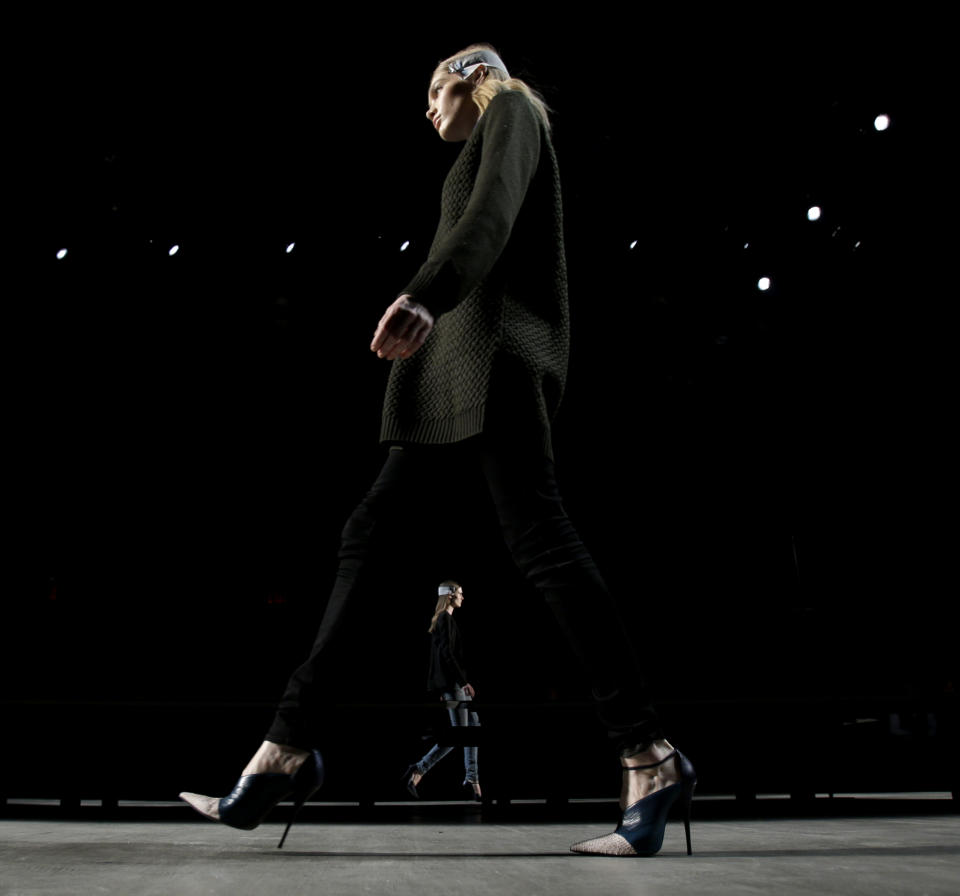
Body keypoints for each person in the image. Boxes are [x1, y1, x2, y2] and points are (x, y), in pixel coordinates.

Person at [180, 43, 695, 857]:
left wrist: (426, 293)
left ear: (468, 74)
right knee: (371, 536)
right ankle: (287, 748)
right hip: (453, 373)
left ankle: (649, 754)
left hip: (492, 360)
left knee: (542, 545)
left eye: (432, 90)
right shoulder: (479, 137)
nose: (425, 108)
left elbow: (491, 215)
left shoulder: (513, 111)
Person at [403, 582, 482, 801]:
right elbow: (445, 655)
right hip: (455, 684)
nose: (463, 597)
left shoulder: (446, 620)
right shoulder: (443, 620)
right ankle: (419, 769)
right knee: (460, 735)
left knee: (473, 728)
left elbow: (439, 657)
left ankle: (472, 779)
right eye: (460, 594)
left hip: (453, 684)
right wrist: (461, 682)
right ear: (450, 596)